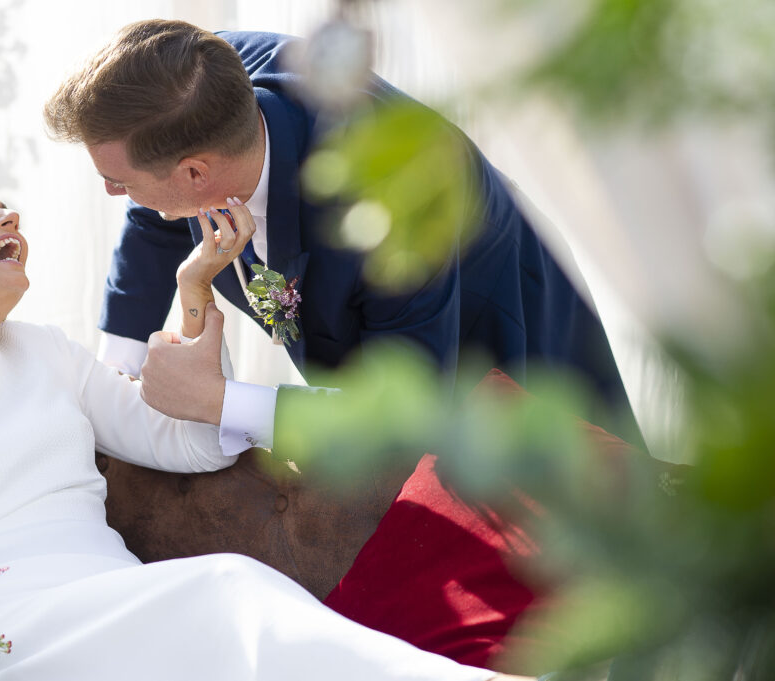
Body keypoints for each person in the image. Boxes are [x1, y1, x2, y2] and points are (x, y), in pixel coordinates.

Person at [0, 174, 529, 681]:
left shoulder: (45, 349)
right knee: (229, 589)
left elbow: (188, 439)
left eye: (5, 206)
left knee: (223, 599)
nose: (8, 217)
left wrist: (194, 289)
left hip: (112, 598)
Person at [43, 19, 644, 452]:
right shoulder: (196, 88)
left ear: (198, 172)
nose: (114, 196)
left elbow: (409, 413)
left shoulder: (389, 211)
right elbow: (154, 207)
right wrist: (113, 380)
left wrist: (218, 402)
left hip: (490, 320)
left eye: (117, 183)